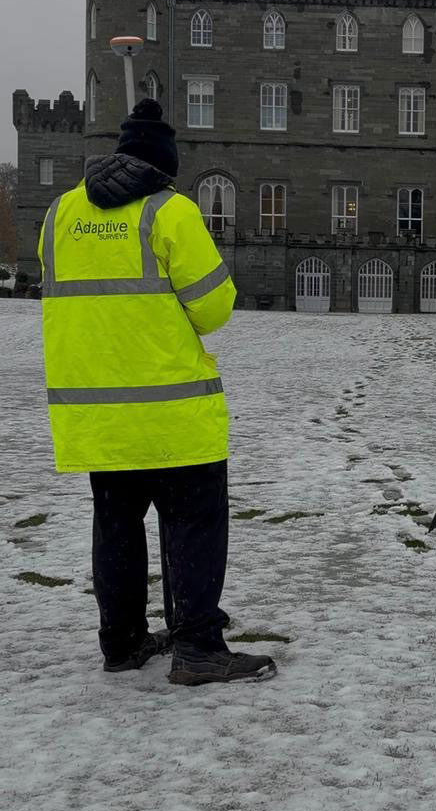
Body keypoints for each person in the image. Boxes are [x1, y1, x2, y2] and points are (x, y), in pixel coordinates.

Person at [38, 97, 277, 686]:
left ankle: (121, 643)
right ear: (166, 166)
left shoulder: (60, 212)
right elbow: (214, 308)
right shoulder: (170, 211)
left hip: (95, 413)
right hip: (172, 412)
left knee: (116, 528)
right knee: (193, 525)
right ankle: (197, 647)